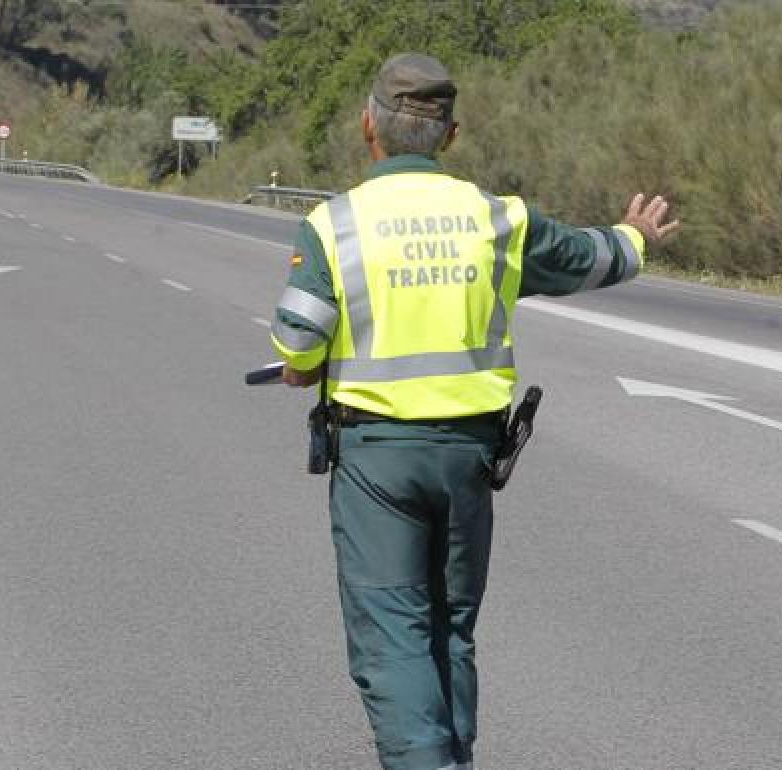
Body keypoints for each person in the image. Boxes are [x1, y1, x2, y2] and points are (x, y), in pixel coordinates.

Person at [268, 52, 679, 770]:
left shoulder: (335, 226)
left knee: (393, 637)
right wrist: (636, 238)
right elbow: (586, 257)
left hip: (377, 463)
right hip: (469, 460)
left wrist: (303, 372)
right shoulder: (496, 221)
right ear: (450, 135)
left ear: (369, 125)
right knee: (449, 630)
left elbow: (300, 344)